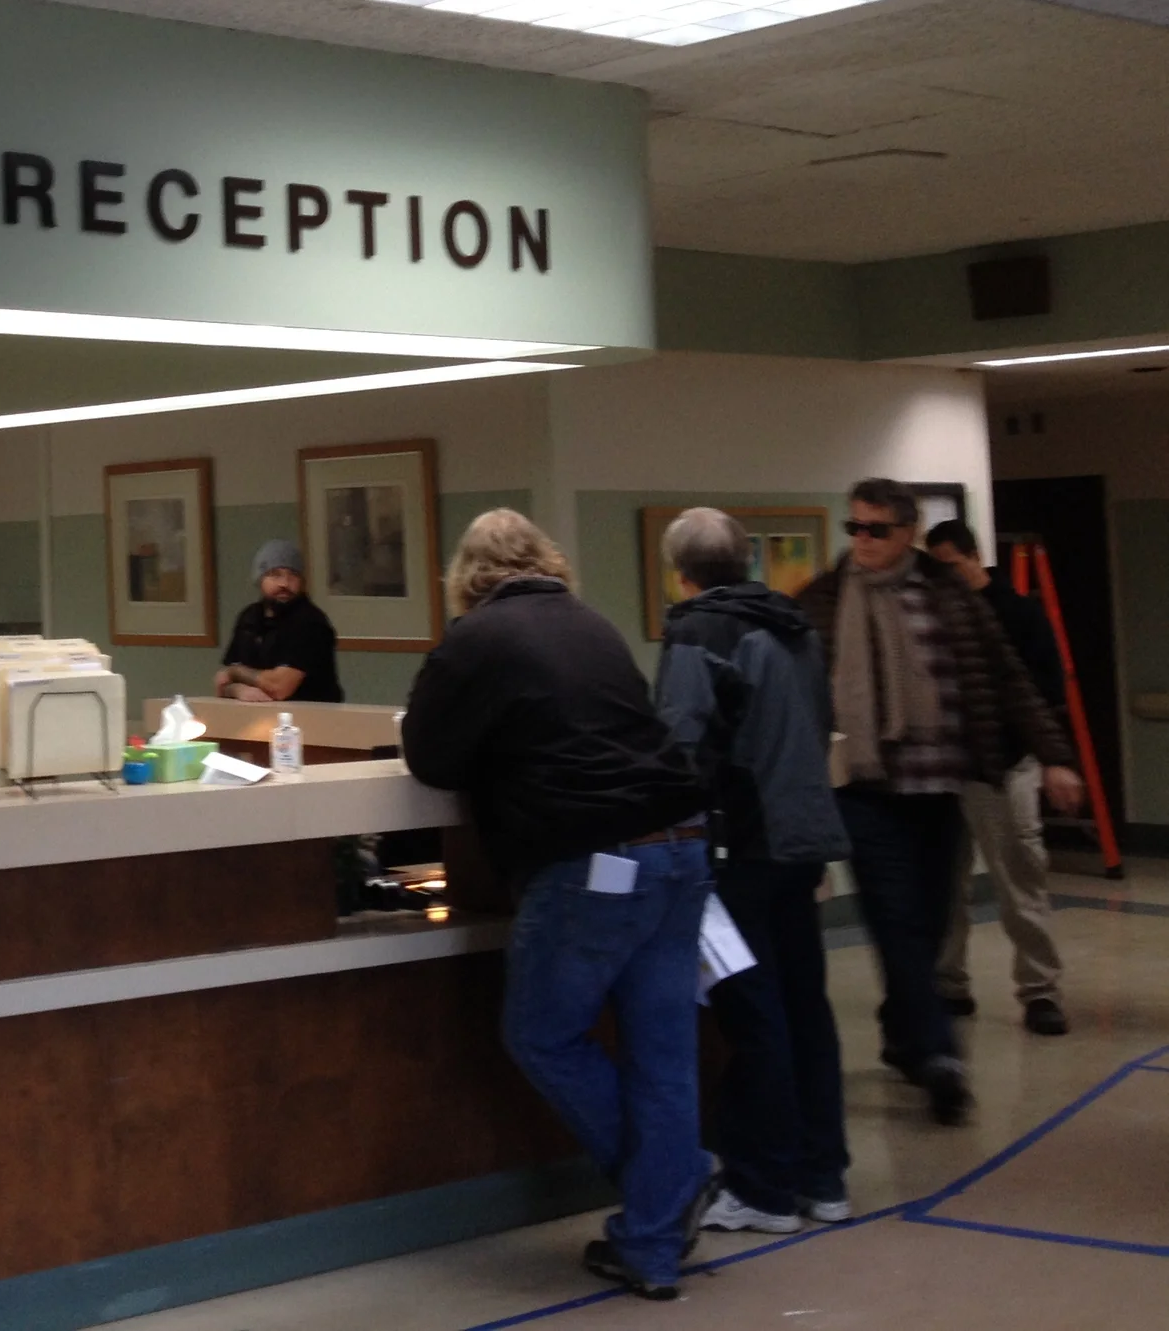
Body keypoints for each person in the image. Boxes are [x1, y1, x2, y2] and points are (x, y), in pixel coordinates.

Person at [402, 510, 712, 1301]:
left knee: (543, 1033)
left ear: (466, 577)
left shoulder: (473, 642)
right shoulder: (593, 623)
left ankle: (664, 1194)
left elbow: (430, 756)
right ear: (549, 561)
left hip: (597, 859)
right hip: (683, 845)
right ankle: (653, 1235)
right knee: (664, 1052)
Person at [798, 479, 1083, 1128]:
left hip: (942, 787)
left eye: (876, 529)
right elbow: (799, 696)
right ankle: (939, 1058)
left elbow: (1005, 676)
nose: (862, 541)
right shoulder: (825, 599)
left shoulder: (948, 594)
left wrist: (1055, 753)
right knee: (896, 919)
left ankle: (903, 1031)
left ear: (907, 532)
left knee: (925, 922)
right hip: (864, 789)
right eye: (854, 528)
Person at [653, 510, 851, 1236]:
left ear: (680, 572)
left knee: (753, 1014)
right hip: (799, 841)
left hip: (737, 846)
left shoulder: (699, 632)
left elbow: (681, 743)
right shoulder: (797, 627)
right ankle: (823, 1176)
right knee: (807, 1008)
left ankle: (764, 1188)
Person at [922, 520, 1070, 1036]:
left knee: (1019, 882)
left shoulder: (1020, 614)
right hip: (948, 770)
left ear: (973, 557)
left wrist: (1053, 758)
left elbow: (1047, 690)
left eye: (950, 567)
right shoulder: (937, 617)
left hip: (1006, 768)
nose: (944, 579)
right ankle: (948, 984)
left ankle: (1040, 991)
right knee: (944, 886)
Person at [214, 539, 342, 703]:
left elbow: (279, 687)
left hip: (310, 718)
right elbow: (221, 682)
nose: (284, 583)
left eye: (293, 576)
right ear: (260, 580)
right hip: (254, 719)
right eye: (275, 575)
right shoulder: (249, 616)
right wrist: (238, 689)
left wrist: (236, 672)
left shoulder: (310, 622)